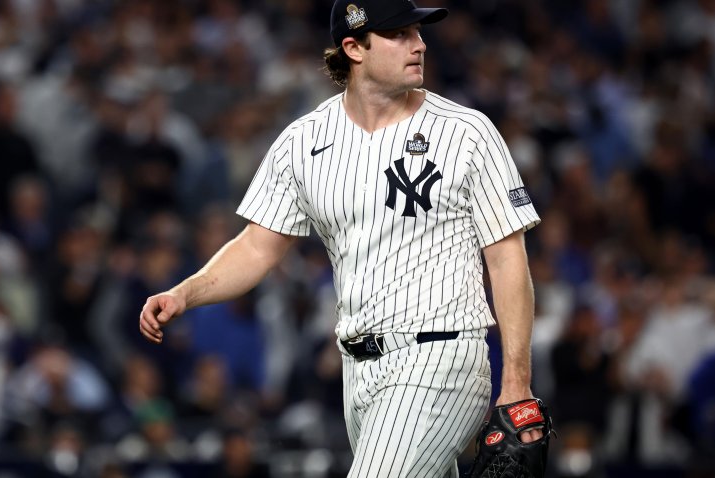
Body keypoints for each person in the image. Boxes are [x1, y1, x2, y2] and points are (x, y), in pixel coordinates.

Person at [140, 1, 544, 476]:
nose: (419, 44)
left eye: (417, 31)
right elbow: (256, 246)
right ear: (353, 48)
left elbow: (507, 257)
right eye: (399, 34)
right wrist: (184, 292)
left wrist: (517, 378)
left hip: (442, 358)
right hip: (358, 371)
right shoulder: (304, 141)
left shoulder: (467, 133)